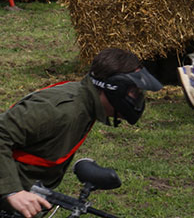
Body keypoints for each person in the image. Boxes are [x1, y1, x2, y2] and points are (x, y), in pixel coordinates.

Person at [0, 48, 162, 218]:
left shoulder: (85, 106)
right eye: (134, 92)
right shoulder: (60, 110)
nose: (136, 98)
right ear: (114, 88)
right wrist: (13, 192)